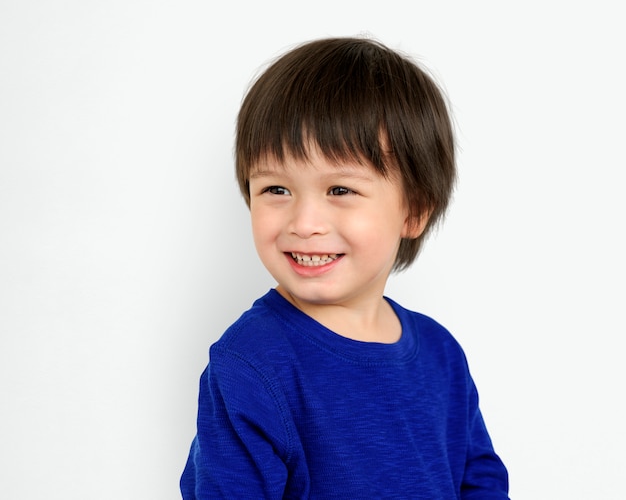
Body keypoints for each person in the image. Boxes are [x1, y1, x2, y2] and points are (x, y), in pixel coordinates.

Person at [181, 36, 509, 499]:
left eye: (340, 190)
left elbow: (480, 481)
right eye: (276, 189)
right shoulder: (250, 362)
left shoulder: (440, 354)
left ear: (413, 212)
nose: (305, 223)